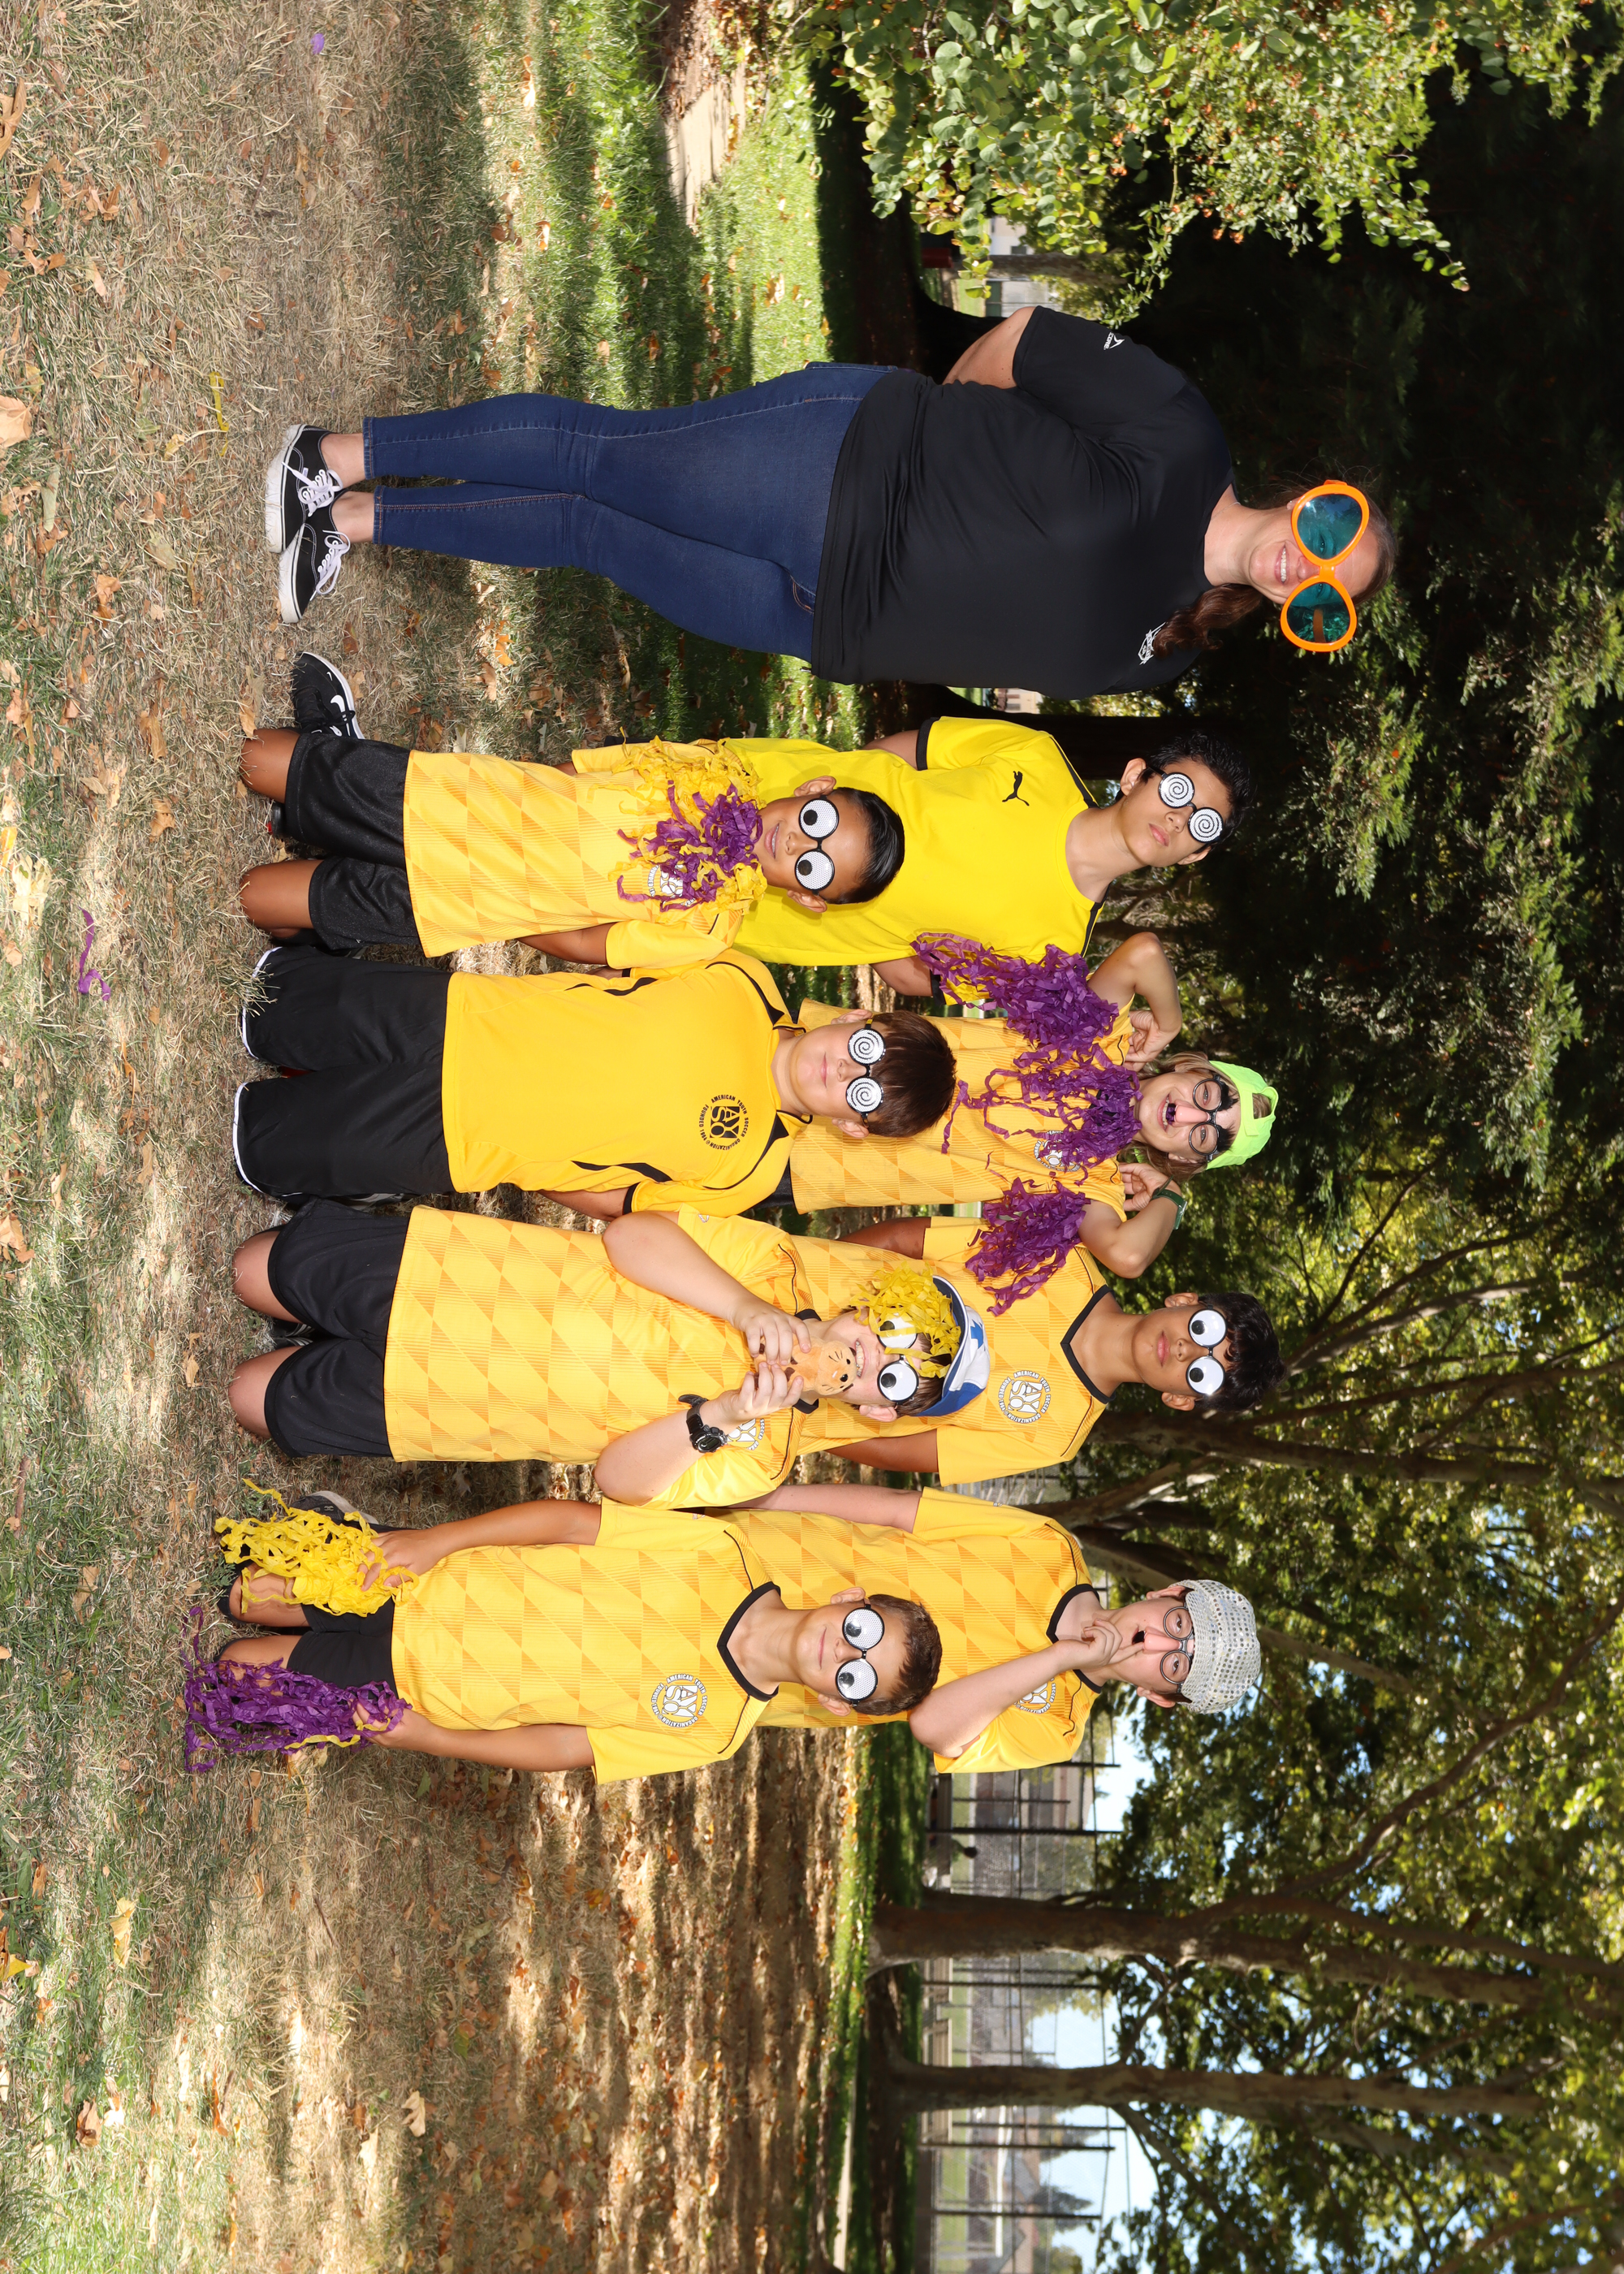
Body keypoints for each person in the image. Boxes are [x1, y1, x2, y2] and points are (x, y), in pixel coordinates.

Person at [261, 310, 1394, 698]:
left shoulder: (1170, 653)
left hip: (822, 618)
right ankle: (335, 456)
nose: (1308, 567)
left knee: (585, 533)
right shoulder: (1183, 434)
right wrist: (931, 439)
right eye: (1328, 534)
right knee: (600, 455)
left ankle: (352, 523)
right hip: (838, 467)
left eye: (1326, 598)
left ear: (1310, 621)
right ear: (1312, 498)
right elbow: (1020, 344)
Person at [226, 1200, 1281, 1488]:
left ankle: (328, 1346)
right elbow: (902, 1250)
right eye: (1204, 1331)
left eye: (1202, 1372)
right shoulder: (1057, 1264)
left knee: (261, 1391)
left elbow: (892, 1444)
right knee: (262, 1268)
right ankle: (336, 1289)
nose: (1183, 1352)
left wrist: (785, 1410)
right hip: (748, 1295)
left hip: (732, 1403)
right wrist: (806, 1308)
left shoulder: (1050, 1435)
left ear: (1182, 1400)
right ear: (1184, 1298)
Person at [225, 1203, 987, 1498]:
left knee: (247, 1399)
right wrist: (745, 1305)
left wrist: (721, 1415)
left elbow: (616, 1482)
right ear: (871, 1304)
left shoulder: (763, 1457)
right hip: (458, 1277)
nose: (872, 1356)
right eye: (892, 1333)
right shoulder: (773, 1267)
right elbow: (629, 1237)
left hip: (442, 1400)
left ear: (876, 1410)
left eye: (893, 1378)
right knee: (252, 1271)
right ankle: (315, 1306)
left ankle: (309, 1347)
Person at [185, 1489, 942, 1779]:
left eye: (856, 1675)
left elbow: (565, 1747)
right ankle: (362, 1528)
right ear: (848, 1597)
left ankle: (317, 1685)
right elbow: (570, 1523)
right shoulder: (722, 1552)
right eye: (862, 1629)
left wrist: (427, 1735)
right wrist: (435, 1542)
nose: (843, 1651)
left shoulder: (716, 1731)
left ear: (836, 1704)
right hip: (429, 1579)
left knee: (231, 1678)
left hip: (426, 1684)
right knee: (247, 1590)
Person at [235, 655, 902, 964]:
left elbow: (589, 944)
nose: (797, 846)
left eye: (814, 869)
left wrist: (507, 915)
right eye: (818, 825)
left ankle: (324, 916)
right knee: (258, 758)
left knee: (254, 897)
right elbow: (584, 770)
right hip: (460, 806)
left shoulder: (709, 928)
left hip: (460, 901)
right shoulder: (713, 770)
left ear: (807, 899)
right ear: (814, 790)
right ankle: (329, 799)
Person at [231, 941, 954, 1215]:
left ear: (851, 1126)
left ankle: (359, 1172)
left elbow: (617, 1202)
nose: (843, 1068)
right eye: (865, 1047)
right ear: (856, 1016)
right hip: (456, 1017)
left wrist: (526, 1158)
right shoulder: (741, 975)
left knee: (253, 1142)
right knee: (266, 1004)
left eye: (861, 1091)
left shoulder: (751, 1172)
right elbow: (615, 966)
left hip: (455, 1137)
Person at [718, 1483, 1262, 1768]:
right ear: (1165, 1592)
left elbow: (932, 1725)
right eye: (1175, 1621)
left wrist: (1061, 1659)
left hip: (749, 1676)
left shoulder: (1058, 1730)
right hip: (754, 1550)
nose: (1154, 1641)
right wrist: (761, 1498)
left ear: (1158, 1696)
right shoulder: (1051, 1546)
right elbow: (897, 1511)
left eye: (1174, 1663)